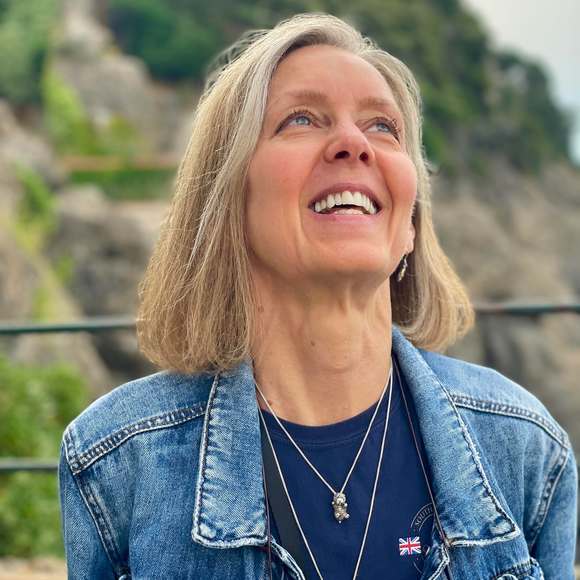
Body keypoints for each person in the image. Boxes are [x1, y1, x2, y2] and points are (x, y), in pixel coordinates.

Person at [58, 13, 577, 580]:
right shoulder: (117, 461)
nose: (354, 143)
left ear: (410, 225)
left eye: (382, 126)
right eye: (301, 119)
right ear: (228, 201)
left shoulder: (526, 448)